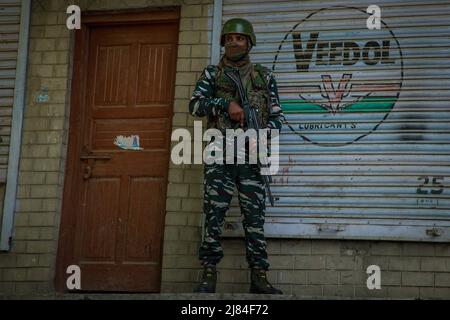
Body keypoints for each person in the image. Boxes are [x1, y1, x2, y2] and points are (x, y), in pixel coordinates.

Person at [189, 18, 284, 294]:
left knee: (255, 218)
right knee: (214, 215)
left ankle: (259, 277)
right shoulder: (211, 75)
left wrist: (262, 136)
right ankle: (208, 275)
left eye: (239, 38)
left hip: (251, 156)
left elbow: (278, 118)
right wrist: (224, 103)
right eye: (229, 38)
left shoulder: (264, 77)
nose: (233, 42)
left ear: (249, 42)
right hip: (220, 153)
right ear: (223, 43)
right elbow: (195, 105)